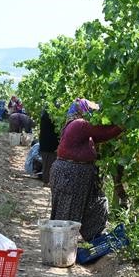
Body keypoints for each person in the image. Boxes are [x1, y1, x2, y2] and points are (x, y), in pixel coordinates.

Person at [49, 98, 122, 241]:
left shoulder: (78, 125)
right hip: (71, 175)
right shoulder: (79, 124)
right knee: (68, 209)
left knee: (95, 204)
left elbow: (97, 137)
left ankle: (90, 237)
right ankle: (60, 245)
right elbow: (103, 134)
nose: (94, 114)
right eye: (91, 110)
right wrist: (121, 126)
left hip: (75, 174)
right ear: (83, 111)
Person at [39, 109, 59, 185]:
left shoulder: (44, 116)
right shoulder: (49, 117)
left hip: (45, 144)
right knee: (49, 164)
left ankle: (46, 181)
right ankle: (47, 181)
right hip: (50, 145)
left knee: (46, 164)